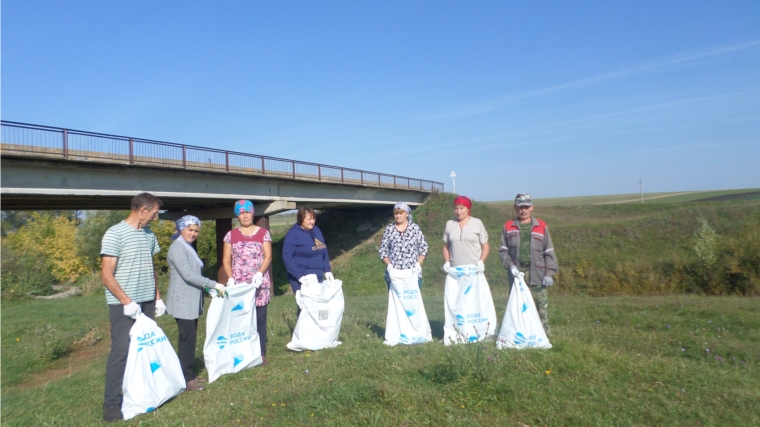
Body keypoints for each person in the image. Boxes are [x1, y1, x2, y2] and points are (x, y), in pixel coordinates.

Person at [100, 192, 164, 422]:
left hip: (146, 302)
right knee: (121, 352)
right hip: (124, 305)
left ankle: (144, 393)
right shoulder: (114, 233)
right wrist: (127, 302)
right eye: (154, 213)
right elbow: (106, 274)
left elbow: (151, 267)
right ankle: (111, 404)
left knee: (146, 349)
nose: (155, 218)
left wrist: (157, 297)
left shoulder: (149, 235)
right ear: (142, 210)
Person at [165, 215, 226, 392]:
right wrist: (213, 284)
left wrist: (207, 288)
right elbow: (189, 275)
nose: (193, 233)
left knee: (190, 338)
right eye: (190, 230)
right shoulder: (177, 248)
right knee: (187, 338)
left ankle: (188, 373)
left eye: (196, 231)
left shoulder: (186, 246)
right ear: (181, 229)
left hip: (190, 300)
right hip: (182, 300)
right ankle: (186, 378)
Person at [498, 193, 558, 337]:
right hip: (517, 276)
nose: (523, 210)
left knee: (540, 309)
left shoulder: (541, 226)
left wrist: (549, 274)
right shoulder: (508, 226)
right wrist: (510, 266)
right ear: (515, 208)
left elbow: (549, 251)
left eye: (526, 207)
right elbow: (503, 251)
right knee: (518, 309)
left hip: (537, 275)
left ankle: (544, 338)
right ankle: (519, 337)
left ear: (532, 207)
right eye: (520, 207)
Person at [222, 200, 273, 363]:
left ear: (253, 213)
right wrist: (230, 278)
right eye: (241, 212)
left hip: (259, 284)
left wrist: (259, 274)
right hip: (240, 286)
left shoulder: (263, 233)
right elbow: (226, 260)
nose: (245, 215)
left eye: (248, 212)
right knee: (241, 318)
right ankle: (242, 350)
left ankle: (260, 352)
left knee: (259, 318)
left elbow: (268, 256)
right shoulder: (230, 236)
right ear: (237, 215)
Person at [282, 206, 334, 314]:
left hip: (317, 275)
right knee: (305, 308)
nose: (312, 222)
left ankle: (319, 330)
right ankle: (302, 330)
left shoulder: (316, 230)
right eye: (309, 219)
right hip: (302, 278)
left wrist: (327, 270)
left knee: (319, 307)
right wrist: (299, 276)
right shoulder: (293, 234)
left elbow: (323, 250)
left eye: (313, 218)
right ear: (301, 219)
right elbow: (287, 257)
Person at [379, 201, 428, 288]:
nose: (398, 216)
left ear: (407, 214)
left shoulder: (414, 228)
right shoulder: (389, 229)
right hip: (394, 275)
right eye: (396, 213)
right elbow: (383, 251)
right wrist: (389, 265)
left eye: (401, 213)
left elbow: (423, 248)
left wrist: (418, 263)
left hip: (412, 274)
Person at [441, 196, 490, 272]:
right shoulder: (450, 224)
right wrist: (447, 262)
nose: (458, 211)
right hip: (455, 270)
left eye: (461, 208)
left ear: (467, 209)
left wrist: (481, 261)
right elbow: (446, 247)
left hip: (474, 269)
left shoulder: (477, 223)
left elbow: (485, 246)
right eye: (456, 208)